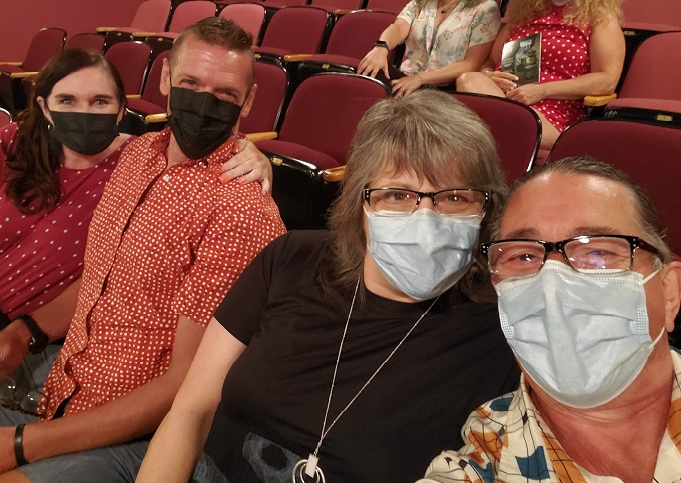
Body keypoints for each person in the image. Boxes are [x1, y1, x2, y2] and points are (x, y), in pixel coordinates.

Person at [0, 18, 286, 482]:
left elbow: (187, 387)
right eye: (190, 83)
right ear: (166, 77)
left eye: (226, 95)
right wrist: (19, 334)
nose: (204, 103)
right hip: (63, 392)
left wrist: (13, 447)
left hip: (136, 436)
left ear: (249, 101)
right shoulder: (136, 155)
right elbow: (101, 279)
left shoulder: (239, 211)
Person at [136, 89, 521, 483]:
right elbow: (192, 409)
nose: (425, 218)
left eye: (455, 196)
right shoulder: (289, 258)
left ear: (487, 207)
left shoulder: (504, 334)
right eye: (397, 194)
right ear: (361, 204)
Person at [0, 48, 273, 358]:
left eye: (100, 101)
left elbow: (205, 150)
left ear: (121, 110)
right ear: (46, 107)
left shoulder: (140, 163)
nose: (84, 113)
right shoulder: (13, 141)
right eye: (67, 100)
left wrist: (252, 154)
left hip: (29, 331)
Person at [418, 156, 681, 482]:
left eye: (598, 251)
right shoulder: (484, 461)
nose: (553, 283)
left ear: (670, 292)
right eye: (524, 256)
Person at [456, 0, 625, 150]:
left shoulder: (599, 19)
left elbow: (606, 80)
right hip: (503, 99)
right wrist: (490, 76)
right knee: (469, 79)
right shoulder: (525, 15)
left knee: (468, 127)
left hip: (552, 115)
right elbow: (490, 63)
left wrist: (543, 91)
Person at [357, 0, 500, 97]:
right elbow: (399, 27)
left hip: (447, 88)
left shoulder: (486, 8)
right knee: (370, 69)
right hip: (406, 78)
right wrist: (381, 47)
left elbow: (471, 64)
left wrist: (420, 79)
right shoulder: (420, 2)